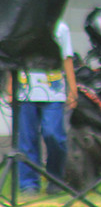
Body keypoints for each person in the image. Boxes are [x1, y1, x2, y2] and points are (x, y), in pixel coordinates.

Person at [13, 21, 77, 195]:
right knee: (27, 138)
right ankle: (28, 183)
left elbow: (67, 58)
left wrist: (72, 88)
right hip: (26, 89)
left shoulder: (61, 27)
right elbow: (15, 56)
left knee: (54, 135)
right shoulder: (25, 24)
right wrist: (11, 84)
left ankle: (55, 178)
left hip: (53, 91)